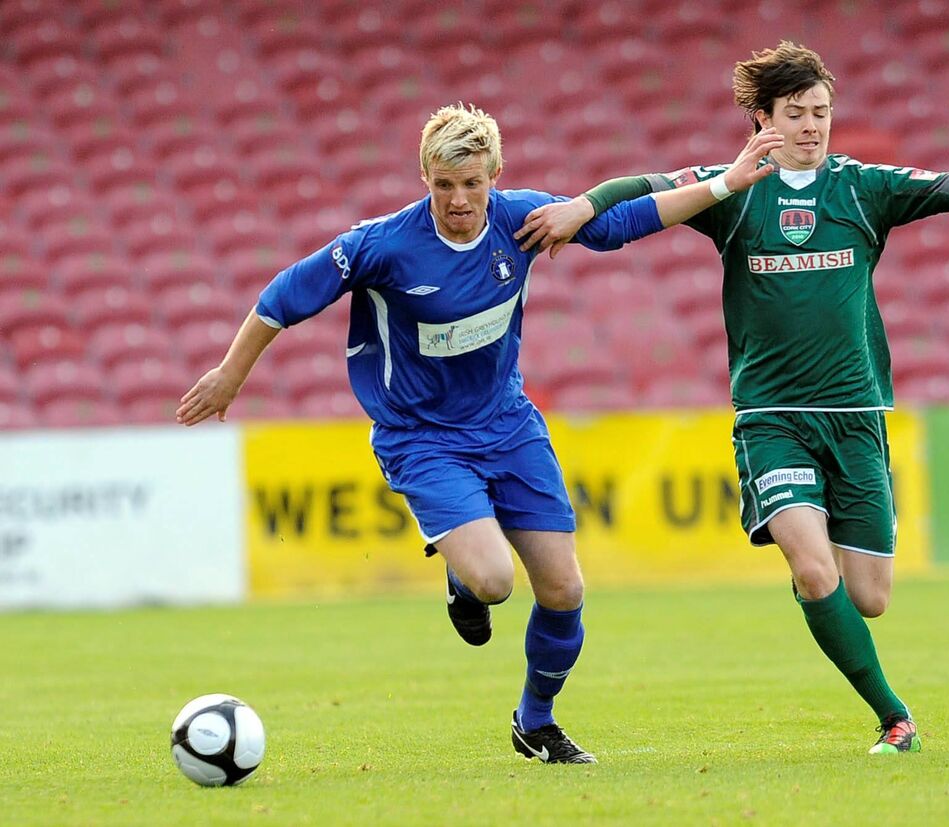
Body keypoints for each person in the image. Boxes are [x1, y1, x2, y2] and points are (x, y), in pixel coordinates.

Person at [514, 42, 949, 754]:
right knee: (814, 568)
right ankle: (896, 718)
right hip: (771, 418)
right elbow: (638, 186)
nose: (813, 125)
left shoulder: (865, 188)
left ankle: (821, 601)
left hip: (856, 416)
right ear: (760, 119)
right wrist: (581, 205)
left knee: (867, 595)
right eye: (797, 113)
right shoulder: (730, 189)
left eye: (822, 112)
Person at [176, 103, 784, 764]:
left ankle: (535, 722)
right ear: (425, 178)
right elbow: (285, 295)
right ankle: (463, 581)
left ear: (495, 175)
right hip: (421, 436)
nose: (458, 199)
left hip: (506, 423)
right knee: (494, 580)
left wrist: (726, 183)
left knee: (565, 591)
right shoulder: (383, 245)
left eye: (472, 184)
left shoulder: (521, 221)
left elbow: (624, 221)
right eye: (443, 185)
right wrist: (232, 373)